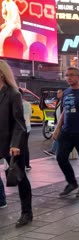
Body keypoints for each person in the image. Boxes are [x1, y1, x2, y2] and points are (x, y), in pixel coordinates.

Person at [53, 67, 79, 197]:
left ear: (78, 77)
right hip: (66, 132)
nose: (68, 78)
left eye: (71, 75)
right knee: (60, 158)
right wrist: (57, 128)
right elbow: (64, 112)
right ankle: (71, 182)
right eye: (66, 75)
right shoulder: (66, 92)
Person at [0, 60, 33, 227]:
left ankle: (26, 212)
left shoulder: (13, 93)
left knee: (20, 176)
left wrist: (15, 145)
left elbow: (19, 123)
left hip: (10, 143)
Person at [44, 89, 64, 156]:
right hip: (58, 122)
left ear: (63, 93)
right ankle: (55, 151)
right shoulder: (58, 101)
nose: (58, 94)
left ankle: (53, 151)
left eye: (59, 93)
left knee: (57, 137)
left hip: (62, 123)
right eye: (57, 93)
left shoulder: (64, 101)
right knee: (58, 137)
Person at [18, 88, 32, 171]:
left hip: (19, 128)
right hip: (27, 126)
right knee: (25, 146)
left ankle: (20, 165)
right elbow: (29, 115)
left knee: (18, 146)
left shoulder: (17, 104)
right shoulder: (28, 104)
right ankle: (27, 165)